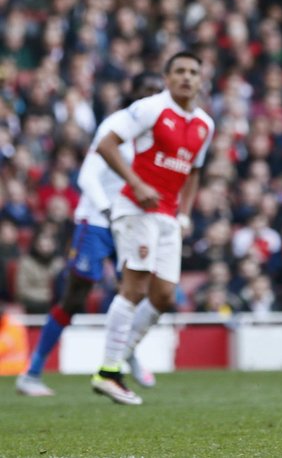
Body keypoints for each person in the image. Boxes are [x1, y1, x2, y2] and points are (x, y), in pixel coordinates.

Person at [16, 72, 164, 398]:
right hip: (98, 219)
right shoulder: (117, 125)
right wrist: (108, 212)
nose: (152, 97)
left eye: (158, 91)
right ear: (133, 93)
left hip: (132, 220)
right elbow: (87, 176)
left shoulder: (162, 135)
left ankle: (124, 356)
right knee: (76, 296)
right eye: (147, 91)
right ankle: (32, 372)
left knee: (141, 290)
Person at [90, 52, 214, 405]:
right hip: (136, 208)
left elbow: (193, 171)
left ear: (200, 79)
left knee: (163, 295)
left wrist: (185, 214)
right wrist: (136, 183)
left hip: (168, 217)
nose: (187, 78)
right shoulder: (150, 109)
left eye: (193, 72)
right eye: (179, 71)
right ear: (167, 77)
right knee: (134, 288)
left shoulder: (205, 123)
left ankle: (123, 354)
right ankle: (108, 371)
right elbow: (106, 144)